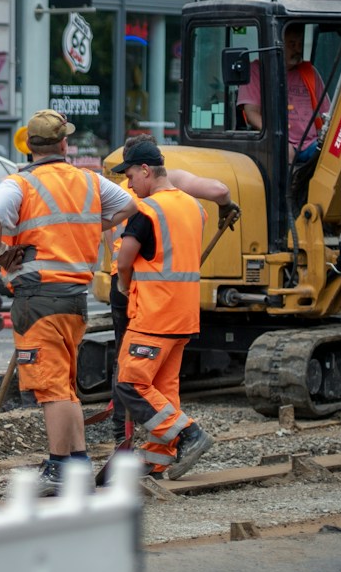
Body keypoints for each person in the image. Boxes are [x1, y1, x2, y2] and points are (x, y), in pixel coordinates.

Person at [0, 109, 135, 497]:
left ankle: (59, 466)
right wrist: (87, 228)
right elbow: (129, 206)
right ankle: (78, 464)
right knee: (64, 386)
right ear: (64, 144)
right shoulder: (89, 181)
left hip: (38, 297)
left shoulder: (20, 184)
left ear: (29, 145)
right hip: (74, 298)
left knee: (50, 388)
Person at [102, 134, 239, 446]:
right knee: (165, 386)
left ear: (146, 170)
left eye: (132, 174)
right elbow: (217, 193)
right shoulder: (193, 207)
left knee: (130, 380)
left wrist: (124, 285)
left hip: (151, 309)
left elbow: (123, 258)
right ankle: (160, 458)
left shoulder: (143, 207)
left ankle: (185, 434)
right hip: (184, 313)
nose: (129, 181)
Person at [238, 24, 326, 153]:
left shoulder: (309, 72)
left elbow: (327, 112)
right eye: (292, 44)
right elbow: (252, 114)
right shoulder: (257, 71)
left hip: (310, 144)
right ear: (277, 45)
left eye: (300, 44)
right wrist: (278, 141)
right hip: (274, 143)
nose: (297, 49)